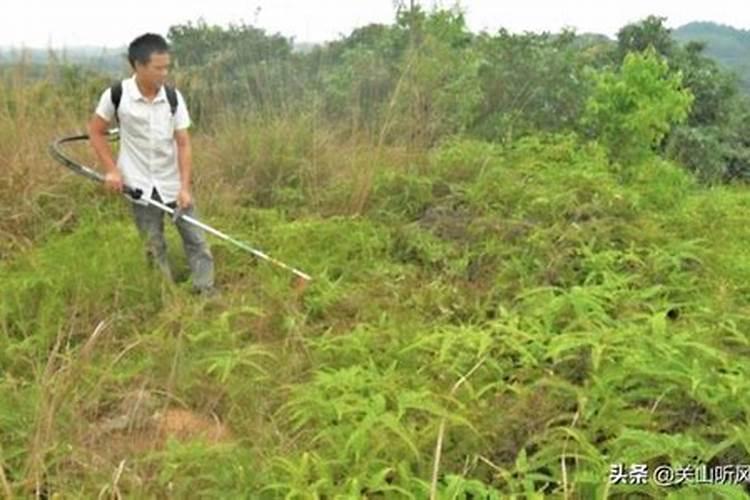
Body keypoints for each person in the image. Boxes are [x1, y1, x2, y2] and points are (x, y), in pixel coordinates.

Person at [88, 33, 215, 295]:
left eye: (167, 66)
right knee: (153, 245)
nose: (164, 73)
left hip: (172, 183)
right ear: (138, 65)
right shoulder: (117, 95)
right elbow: (96, 131)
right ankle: (166, 297)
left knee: (197, 240)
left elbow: (183, 143)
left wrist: (185, 187)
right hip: (138, 185)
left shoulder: (172, 97)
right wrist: (111, 170)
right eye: (158, 68)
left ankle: (205, 290)